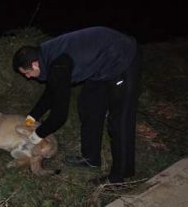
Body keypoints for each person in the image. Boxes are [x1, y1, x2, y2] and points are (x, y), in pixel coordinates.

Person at [13, 26, 141, 184]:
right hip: (99, 65)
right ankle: (91, 158)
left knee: (119, 122)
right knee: (88, 106)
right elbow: (51, 92)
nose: (27, 77)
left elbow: (59, 116)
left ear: (34, 65)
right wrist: (31, 118)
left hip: (121, 57)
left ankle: (121, 176)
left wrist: (35, 136)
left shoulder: (58, 65)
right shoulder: (46, 57)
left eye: (26, 73)